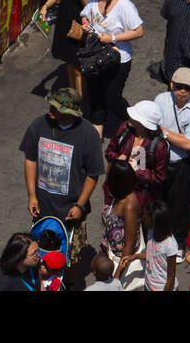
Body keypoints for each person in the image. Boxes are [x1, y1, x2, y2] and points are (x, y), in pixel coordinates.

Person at [20, 88, 105, 283]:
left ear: (70, 113)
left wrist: (80, 205)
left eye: (56, 108)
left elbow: (93, 174)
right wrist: (32, 195)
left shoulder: (88, 134)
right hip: (43, 208)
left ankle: (69, 285)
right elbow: (30, 159)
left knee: (71, 258)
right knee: (41, 254)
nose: (50, 110)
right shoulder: (39, 125)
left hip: (71, 212)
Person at [80, 0, 144, 134]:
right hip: (94, 53)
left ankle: (136, 125)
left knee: (112, 97)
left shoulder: (124, 5)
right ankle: (97, 128)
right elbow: (85, 15)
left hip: (117, 58)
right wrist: (85, 23)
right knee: (95, 92)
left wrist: (112, 39)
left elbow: (138, 31)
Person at [153, 67, 190, 250]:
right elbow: (151, 128)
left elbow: (189, 145)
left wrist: (164, 133)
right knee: (156, 202)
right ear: (171, 85)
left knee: (179, 208)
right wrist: (178, 137)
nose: (182, 91)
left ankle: (179, 245)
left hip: (181, 165)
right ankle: (157, 238)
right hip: (158, 162)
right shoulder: (161, 100)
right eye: (178, 87)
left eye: (186, 87)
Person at [46, 0, 95, 97]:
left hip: (79, 24)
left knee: (78, 67)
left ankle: (80, 103)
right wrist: (46, 6)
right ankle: (73, 94)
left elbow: (96, 10)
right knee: (69, 62)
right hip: (64, 20)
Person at [105, 101, 168, 212]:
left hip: (140, 199)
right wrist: (117, 159)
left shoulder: (158, 146)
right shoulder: (125, 128)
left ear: (143, 123)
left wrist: (137, 171)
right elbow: (109, 151)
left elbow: (159, 177)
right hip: (116, 190)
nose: (130, 116)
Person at [100, 160, 143, 288]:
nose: (106, 178)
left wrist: (117, 275)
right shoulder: (119, 196)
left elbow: (129, 245)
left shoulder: (129, 205)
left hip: (120, 264)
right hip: (110, 255)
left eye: (108, 176)